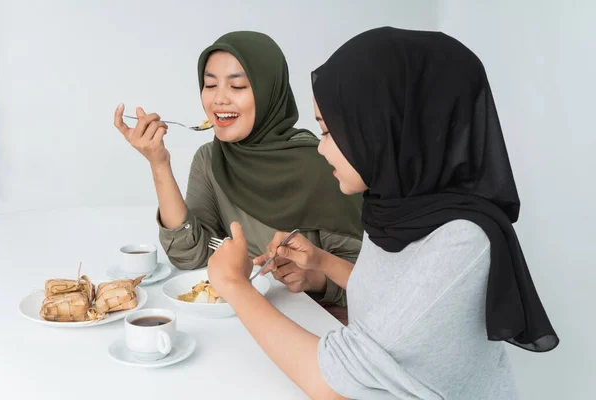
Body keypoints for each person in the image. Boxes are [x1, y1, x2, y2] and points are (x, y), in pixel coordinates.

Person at [206, 27, 559, 399]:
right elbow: (394, 303)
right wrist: (323, 262)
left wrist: (234, 285)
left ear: (383, 127)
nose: (322, 150)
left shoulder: (464, 241)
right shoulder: (395, 205)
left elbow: (334, 383)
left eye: (329, 132)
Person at [113, 31, 363, 317]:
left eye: (238, 86)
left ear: (269, 91)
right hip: (238, 323)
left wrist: (316, 280)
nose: (218, 99)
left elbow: (374, 281)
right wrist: (159, 163)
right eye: (209, 85)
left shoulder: (320, 163)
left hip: (316, 327)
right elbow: (188, 255)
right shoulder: (211, 159)